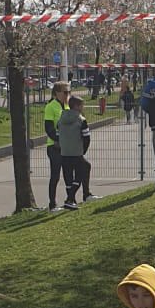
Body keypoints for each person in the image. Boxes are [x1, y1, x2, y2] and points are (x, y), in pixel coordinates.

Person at [57, 95, 102, 209]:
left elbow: (58, 134)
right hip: (77, 152)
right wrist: (83, 150)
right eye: (82, 105)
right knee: (82, 172)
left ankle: (73, 198)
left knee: (68, 176)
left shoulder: (61, 118)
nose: (83, 107)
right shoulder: (81, 119)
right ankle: (71, 199)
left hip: (64, 152)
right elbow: (86, 137)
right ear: (77, 106)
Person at [43, 81, 71, 212]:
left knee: (69, 173)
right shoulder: (51, 106)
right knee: (55, 175)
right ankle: (52, 204)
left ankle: (70, 200)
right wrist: (59, 139)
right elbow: (49, 129)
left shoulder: (66, 106)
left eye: (69, 92)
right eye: (65, 92)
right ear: (57, 93)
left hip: (67, 146)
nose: (67, 95)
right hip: (54, 147)